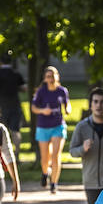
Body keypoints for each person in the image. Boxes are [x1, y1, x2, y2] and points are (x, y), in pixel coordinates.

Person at [31, 65, 70, 193]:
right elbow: (34, 108)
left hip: (58, 126)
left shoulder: (62, 91)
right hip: (43, 127)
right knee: (45, 157)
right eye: (48, 76)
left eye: (52, 76)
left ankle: (54, 183)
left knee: (55, 155)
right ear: (45, 79)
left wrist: (68, 109)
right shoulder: (41, 92)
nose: (51, 79)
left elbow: (67, 103)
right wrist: (43, 110)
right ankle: (44, 173)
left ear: (57, 77)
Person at [0, 51, 26, 163]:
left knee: (0, 130)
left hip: (2, 105)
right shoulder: (16, 74)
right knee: (15, 131)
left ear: (1, 61)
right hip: (15, 104)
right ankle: (17, 154)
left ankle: (1, 156)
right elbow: (24, 88)